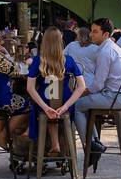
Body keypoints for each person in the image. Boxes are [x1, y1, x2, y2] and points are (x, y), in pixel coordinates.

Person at [70, 18, 121, 165]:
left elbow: (97, 85)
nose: (91, 34)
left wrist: (79, 92)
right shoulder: (114, 48)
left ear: (106, 34)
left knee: (75, 105)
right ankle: (94, 142)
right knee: (83, 104)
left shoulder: (105, 52)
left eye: (95, 32)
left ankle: (92, 145)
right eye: (91, 31)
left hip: (113, 98)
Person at [27, 27, 88, 157]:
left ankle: (48, 144)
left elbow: (30, 88)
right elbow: (82, 86)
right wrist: (66, 106)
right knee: (57, 100)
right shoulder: (69, 60)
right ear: (60, 41)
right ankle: (59, 145)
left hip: (44, 104)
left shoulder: (38, 60)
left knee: (35, 106)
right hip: (65, 103)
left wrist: (46, 107)